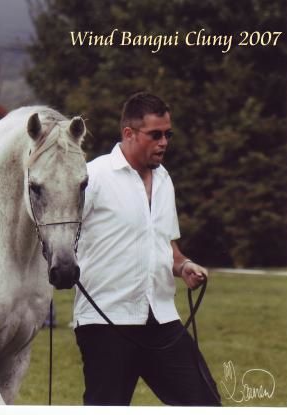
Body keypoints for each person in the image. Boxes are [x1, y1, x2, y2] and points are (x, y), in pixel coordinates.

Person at [73, 92, 221, 406]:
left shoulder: (165, 179)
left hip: (161, 319)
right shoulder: (93, 177)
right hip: (106, 321)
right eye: (155, 135)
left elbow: (169, 249)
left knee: (205, 403)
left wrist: (184, 267)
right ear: (129, 133)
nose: (164, 142)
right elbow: (59, 235)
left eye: (168, 134)